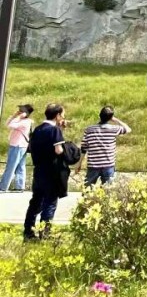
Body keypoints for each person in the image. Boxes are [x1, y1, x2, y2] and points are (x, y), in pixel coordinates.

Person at [23, 103, 68, 241]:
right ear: (57, 115)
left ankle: (28, 231)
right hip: (51, 171)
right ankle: (45, 234)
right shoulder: (54, 130)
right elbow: (58, 150)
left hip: (39, 170)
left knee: (36, 201)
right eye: (62, 115)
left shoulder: (38, 129)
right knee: (50, 202)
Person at [78, 106, 131, 186]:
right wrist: (116, 120)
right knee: (108, 193)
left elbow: (84, 148)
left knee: (87, 192)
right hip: (108, 165)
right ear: (110, 118)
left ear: (100, 115)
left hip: (93, 165)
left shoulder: (89, 130)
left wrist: (79, 163)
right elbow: (128, 129)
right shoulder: (113, 129)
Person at [1, 104, 34, 192]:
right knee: (20, 166)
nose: (19, 111)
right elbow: (7, 123)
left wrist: (17, 116)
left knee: (11, 166)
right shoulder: (21, 120)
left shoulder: (25, 122)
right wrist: (14, 116)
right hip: (19, 145)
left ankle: (3, 187)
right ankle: (20, 187)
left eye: (21, 110)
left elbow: (11, 125)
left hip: (17, 145)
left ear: (26, 113)